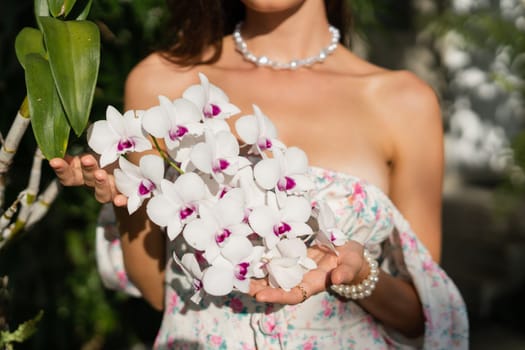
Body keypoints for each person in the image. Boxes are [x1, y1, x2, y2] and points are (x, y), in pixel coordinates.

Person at [50, 0, 469, 348]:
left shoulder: (403, 102)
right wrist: (124, 198)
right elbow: (160, 293)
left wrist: (358, 276)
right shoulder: (161, 82)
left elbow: (422, 317)